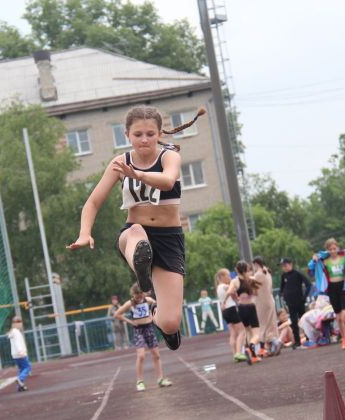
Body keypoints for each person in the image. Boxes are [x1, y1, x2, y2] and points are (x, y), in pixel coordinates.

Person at [68, 106, 207, 351]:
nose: (144, 139)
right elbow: (93, 202)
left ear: (159, 134)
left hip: (169, 238)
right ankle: (142, 265)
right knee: (137, 234)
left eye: (150, 134)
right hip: (134, 232)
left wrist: (138, 175)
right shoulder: (120, 162)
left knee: (171, 323)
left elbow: (167, 181)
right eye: (138, 134)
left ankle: (158, 316)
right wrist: (84, 233)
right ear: (127, 135)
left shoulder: (169, 157)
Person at [114, 283, 172, 391]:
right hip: (139, 330)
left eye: (141, 295)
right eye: (137, 296)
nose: (139, 298)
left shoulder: (148, 300)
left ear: (143, 294)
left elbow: (157, 306)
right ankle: (140, 381)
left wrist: (154, 315)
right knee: (141, 356)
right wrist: (130, 322)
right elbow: (117, 314)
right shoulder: (129, 303)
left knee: (156, 355)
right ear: (133, 294)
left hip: (149, 328)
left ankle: (160, 379)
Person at [309, 239, 345, 350]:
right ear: (327, 250)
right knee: (339, 317)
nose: (333, 251)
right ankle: (344, 339)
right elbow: (311, 268)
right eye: (330, 249)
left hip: (344, 287)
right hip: (332, 289)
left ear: (338, 248)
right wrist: (314, 259)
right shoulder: (325, 260)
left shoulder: (344, 257)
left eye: (334, 248)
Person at [225, 261, 262, 364]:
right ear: (247, 269)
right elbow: (256, 293)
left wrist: (225, 301)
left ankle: (252, 355)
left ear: (236, 270)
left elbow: (229, 292)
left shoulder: (234, 281)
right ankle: (251, 345)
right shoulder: (251, 280)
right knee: (256, 334)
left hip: (241, 308)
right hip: (251, 307)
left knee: (248, 331)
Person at [279, 257, 312, 349]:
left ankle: (308, 338)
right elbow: (282, 287)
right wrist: (282, 295)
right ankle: (297, 341)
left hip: (299, 301)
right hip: (290, 303)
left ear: (290, 264)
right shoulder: (283, 276)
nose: (284, 268)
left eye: (285, 265)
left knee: (303, 319)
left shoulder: (297, 274)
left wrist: (304, 297)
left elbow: (308, 284)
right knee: (293, 322)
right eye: (283, 266)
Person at [252, 257, 281, 356]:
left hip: (262, 302)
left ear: (256, 264)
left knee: (263, 324)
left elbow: (254, 291)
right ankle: (273, 346)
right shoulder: (267, 272)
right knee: (271, 323)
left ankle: (275, 343)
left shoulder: (258, 274)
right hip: (270, 300)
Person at [216, 268, 246, 363]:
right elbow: (233, 292)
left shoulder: (218, 287)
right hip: (231, 309)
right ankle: (238, 352)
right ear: (222, 276)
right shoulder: (225, 286)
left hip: (225, 311)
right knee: (242, 331)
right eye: (228, 275)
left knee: (233, 333)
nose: (229, 277)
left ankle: (234, 354)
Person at [7, 316, 31, 392]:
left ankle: (20, 386)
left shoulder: (12, 332)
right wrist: (21, 352)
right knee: (27, 367)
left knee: (21, 369)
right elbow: (18, 343)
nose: (21, 324)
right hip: (20, 353)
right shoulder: (16, 332)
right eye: (20, 322)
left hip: (15, 354)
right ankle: (20, 379)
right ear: (17, 324)